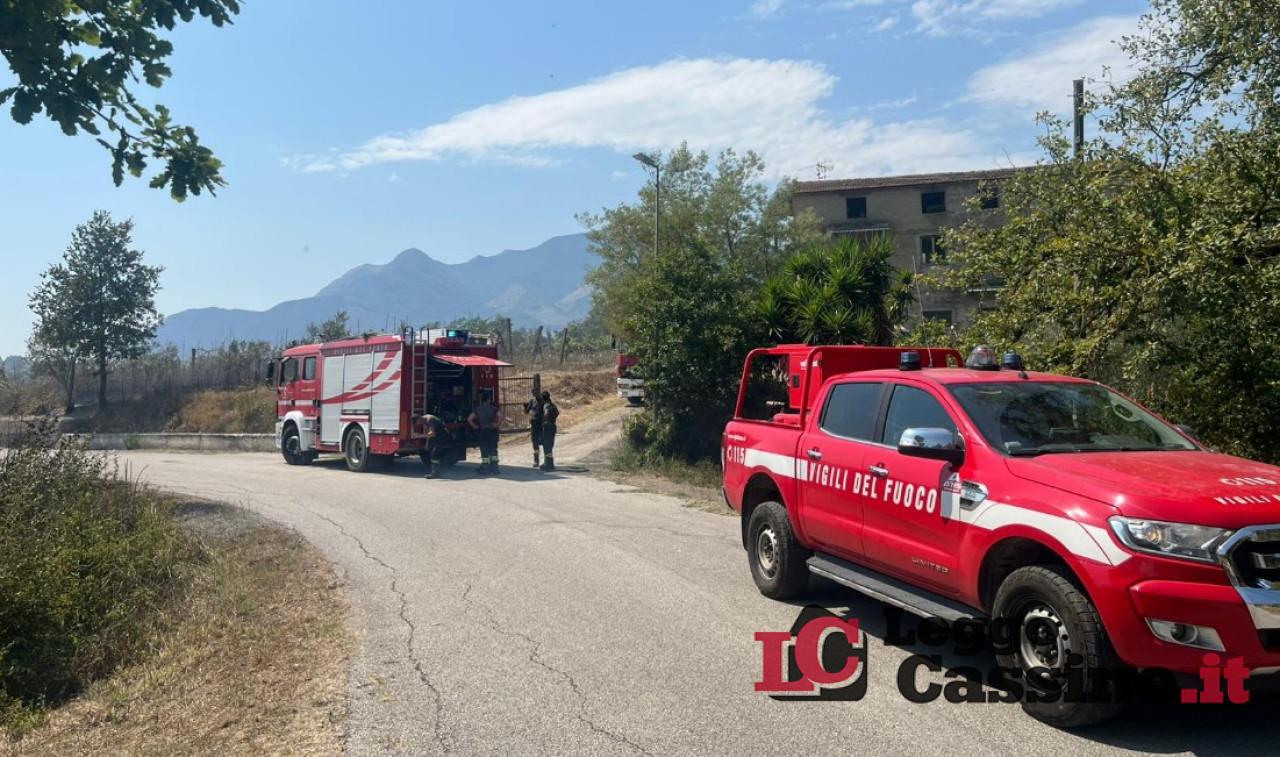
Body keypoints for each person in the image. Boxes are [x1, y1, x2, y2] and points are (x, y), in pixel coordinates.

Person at [469, 390, 503, 475]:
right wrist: (496, 425)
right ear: (489, 400)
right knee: (493, 450)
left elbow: (469, 419)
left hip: (483, 432)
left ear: (482, 400)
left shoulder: (478, 409)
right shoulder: (493, 408)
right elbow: (501, 416)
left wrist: (475, 427)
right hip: (492, 432)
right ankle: (495, 469)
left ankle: (486, 469)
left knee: (484, 451)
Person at [421, 412, 448, 479]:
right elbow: (429, 434)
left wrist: (421, 435)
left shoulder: (430, 419)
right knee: (432, 453)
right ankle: (435, 471)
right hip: (437, 436)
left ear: (419, 419)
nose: (419, 424)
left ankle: (435, 473)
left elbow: (432, 434)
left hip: (442, 435)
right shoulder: (424, 421)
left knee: (434, 453)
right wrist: (427, 445)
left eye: (418, 423)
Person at [524, 388, 544, 468]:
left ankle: (547, 461)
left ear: (539, 392)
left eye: (536, 392)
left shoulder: (543, 401)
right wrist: (525, 407)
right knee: (535, 443)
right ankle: (536, 460)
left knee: (544, 443)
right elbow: (526, 412)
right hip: (534, 425)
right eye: (533, 393)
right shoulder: (532, 401)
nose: (534, 394)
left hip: (541, 425)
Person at [539, 390, 559, 471]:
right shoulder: (552, 404)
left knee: (546, 446)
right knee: (549, 445)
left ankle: (548, 464)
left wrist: (543, 420)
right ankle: (549, 463)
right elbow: (557, 413)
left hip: (547, 427)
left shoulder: (546, 405)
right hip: (553, 426)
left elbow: (546, 413)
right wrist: (553, 419)